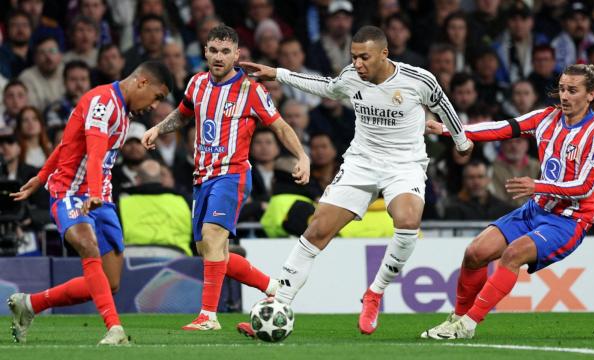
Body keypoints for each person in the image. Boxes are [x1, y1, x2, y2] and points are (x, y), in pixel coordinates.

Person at [240, 25, 472, 335]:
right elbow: (325, 86)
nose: (358, 64)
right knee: (318, 228)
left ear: (384, 54)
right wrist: (278, 73)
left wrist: (461, 141)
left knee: (407, 219)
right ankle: (278, 304)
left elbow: (443, 105)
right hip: (361, 162)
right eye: (354, 57)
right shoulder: (351, 77)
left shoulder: (419, 79)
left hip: (404, 164)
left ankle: (374, 293)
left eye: (364, 57)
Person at [423, 64, 594, 340]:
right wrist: (450, 130)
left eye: (572, 90)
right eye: (561, 89)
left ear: (591, 94)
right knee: (475, 252)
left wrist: (538, 185)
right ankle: (457, 318)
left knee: (513, 255)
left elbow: (584, 187)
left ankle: (467, 325)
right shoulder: (547, 118)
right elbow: (501, 128)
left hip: (570, 221)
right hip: (536, 209)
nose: (564, 96)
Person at [142, 25, 309, 332]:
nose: (219, 57)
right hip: (201, 177)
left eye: (225, 52)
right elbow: (182, 114)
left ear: (237, 54)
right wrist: (158, 129)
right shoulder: (196, 84)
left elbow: (281, 127)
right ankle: (272, 287)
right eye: (214, 51)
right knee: (209, 249)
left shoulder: (251, 90)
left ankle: (208, 316)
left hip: (231, 174)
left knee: (213, 236)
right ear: (205, 52)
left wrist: (302, 156)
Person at [8, 61, 173, 345]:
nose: (155, 106)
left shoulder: (124, 112)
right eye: (158, 97)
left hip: (101, 198)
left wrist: (41, 175)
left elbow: (66, 142)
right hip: (71, 192)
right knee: (87, 244)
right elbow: (94, 155)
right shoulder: (102, 102)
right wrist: (67, 184)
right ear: (142, 83)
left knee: (109, 284)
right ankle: (115, 329)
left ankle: (30, 304)